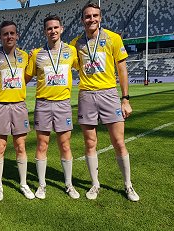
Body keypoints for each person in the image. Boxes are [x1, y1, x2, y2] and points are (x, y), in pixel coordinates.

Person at [70, 3, 139, 201]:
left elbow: (122, 69)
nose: (91, 19)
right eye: (87, 16)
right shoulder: (76, 44)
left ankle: (128, 185)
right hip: (86, 95)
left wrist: (125, 99)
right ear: (82, 20)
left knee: (118, 142)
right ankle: (95, 184)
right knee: (90, 142)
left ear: (100, 17)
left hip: (109, 94)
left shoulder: (113, 38)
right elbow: (63, 60)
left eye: (95, 15)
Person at [25, 15, 80, 200]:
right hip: (43, 104)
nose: (53, 31)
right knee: (42, 144)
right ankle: (41, 185)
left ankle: (69, 184)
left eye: (56, 27)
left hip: (63, 104)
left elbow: (84, 67)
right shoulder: (37, 54)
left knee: (65, 144)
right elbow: (25, 78)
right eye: (49, 28)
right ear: (44, 31)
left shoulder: (71, 51)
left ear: (61, 29)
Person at [0, 21, 34, 200]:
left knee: (21, 146)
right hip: (1, 106)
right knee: (0, 147)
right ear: (0, 37)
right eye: (5, 34)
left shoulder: (25, 56)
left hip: (19, 105)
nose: (9, 36)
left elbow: (26, 77)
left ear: (17, 35)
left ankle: (23, 184)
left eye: (12, 33)